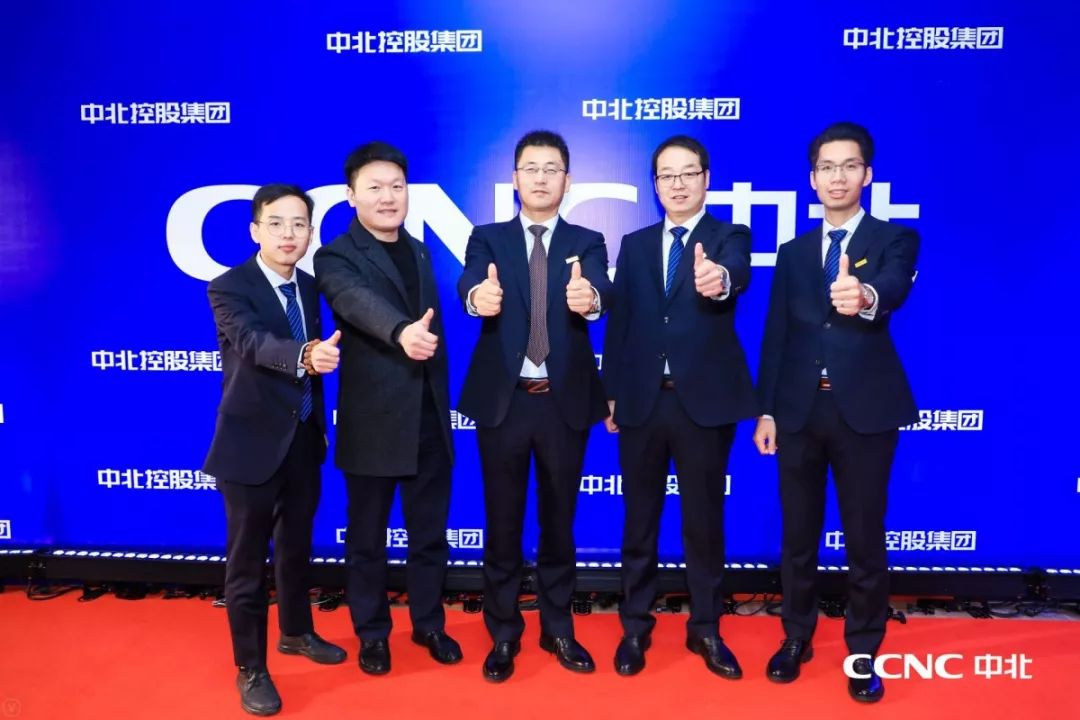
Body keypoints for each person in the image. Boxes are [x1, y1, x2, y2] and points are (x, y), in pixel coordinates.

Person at [754, 121, 920, 703]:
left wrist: (865, 295)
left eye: (849, 166)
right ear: (812, 179)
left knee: (864, 538)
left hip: (865, 413)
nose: (838, 177)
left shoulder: (895, 238)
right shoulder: (794, 252)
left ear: (867, 175)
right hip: (799, 411)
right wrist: (767, 411)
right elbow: (777, 335)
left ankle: (863, 650)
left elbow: (892, 286)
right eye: (827, 167)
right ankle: (795, 636)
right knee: (798, 537)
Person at [457, 130, 613, 682]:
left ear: (567, 181)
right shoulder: (487, 237)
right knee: (502, 525)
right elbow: (469, 281)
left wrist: (590, 299)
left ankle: (558, 627)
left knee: (558, 524)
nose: (541, 177)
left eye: (552, 169)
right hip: (505, 403)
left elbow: (601, 288)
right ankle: (503, 633)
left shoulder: (588, 239)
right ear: (515, 179)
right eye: (531, 168)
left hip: (562, 403)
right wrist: (478, 297)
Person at [602, 135, 758, 678]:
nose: (678, 184)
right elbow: (621, 324)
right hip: (642, 403)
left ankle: (706, 629)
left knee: (704, 523)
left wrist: (718, 280)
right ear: (655, 184)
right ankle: (634, 627)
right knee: (639, 522)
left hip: (704, 405)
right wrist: (612, 393)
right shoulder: (636, 244)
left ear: (706, 179)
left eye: (688, 173)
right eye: (667, 175)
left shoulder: (729, 236)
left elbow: (735, 273)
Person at [313, 141, 461, 676]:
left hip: (428, 418)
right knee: (367, 540)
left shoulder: (419, 249)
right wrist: (400, 332)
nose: (388, 197)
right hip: (373, 423)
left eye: (397, 186)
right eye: (374, 187)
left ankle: (428, 624)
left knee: (429, 537)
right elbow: (354, 301)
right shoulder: (335, 255)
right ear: (351, 195)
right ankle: (373, 634)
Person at [204, 183, 346, 716]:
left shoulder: (308, 286)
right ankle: (251, 667)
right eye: (277, 223)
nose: (289, 234)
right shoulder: (228, 287)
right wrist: (305, 354)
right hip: (249, 446)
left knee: (295, 548)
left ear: (310, 232)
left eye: (299, 224)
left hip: (303, 439)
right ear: (255, 230)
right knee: (246, 565)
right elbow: (252, 343)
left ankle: (296, 631)